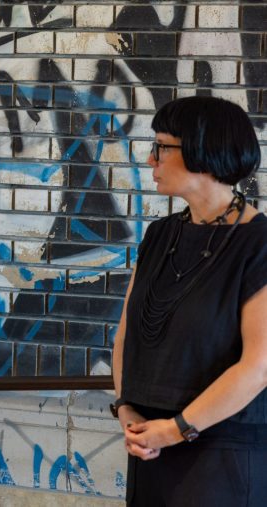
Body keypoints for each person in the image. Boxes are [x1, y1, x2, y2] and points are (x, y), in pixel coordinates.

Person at [111, 95, 267, 505]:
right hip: (150, 449)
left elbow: (258, 366)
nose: (151, 159)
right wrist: (127, 408)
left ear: (203, 150)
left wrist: (177, 428)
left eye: (162, 146)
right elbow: (127, 335)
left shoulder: (258, 244)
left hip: (222, 456)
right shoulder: (160, 235)